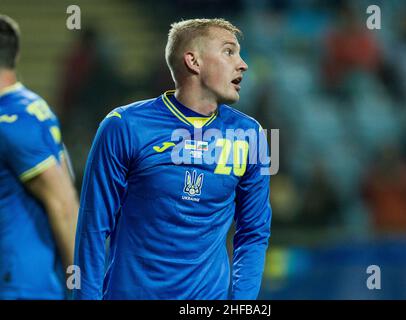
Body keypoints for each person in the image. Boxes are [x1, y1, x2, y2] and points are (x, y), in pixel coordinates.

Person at [74, 18, 272, 300]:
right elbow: (93, 227)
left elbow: (253, 232)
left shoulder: (250, 135)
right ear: (194, 61)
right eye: (229, 52)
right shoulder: (124, 126)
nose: (242, 64)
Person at [0, 15, 79, 299]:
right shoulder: (31, 107)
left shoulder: (11, 119)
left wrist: (82, 287)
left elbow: (63, 204)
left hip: (20, 285)